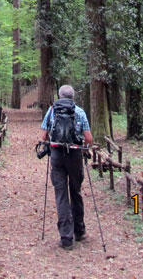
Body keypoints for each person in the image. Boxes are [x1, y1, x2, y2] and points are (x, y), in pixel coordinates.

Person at [40, 85, 93, 250]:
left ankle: (66, 238)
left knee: (61, 194)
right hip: (75, 156)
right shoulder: (80, 112)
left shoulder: (52, 111)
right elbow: (89, 139)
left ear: (60, 96)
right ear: (73, 97)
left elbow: (43, 136)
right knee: (75, 191)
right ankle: (80, 231)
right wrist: (82, 145)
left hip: (57, 155)